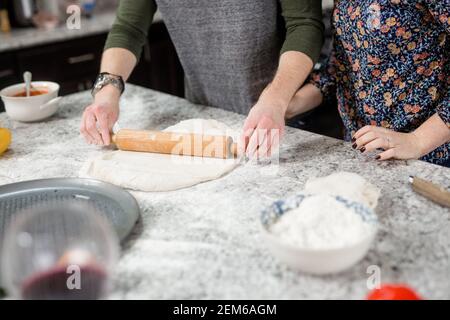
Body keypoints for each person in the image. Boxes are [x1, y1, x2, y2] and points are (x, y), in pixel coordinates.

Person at [80, 0, 324, 158]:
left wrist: (275, 100)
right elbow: (129, 28)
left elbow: (304, 24)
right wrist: (107, 92)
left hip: (283, 119)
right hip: (205, 115)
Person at [286, 0, 450, 166]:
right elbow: (342, 68)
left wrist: (418, 140)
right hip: (363, 152)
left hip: (431, 158)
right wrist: (285, 105)